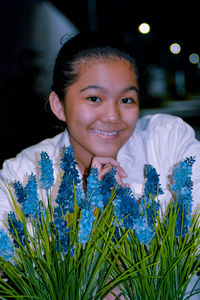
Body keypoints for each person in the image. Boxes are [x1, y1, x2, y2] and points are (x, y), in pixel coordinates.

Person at [0, 31, 200, 299]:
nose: (112, 115)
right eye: (94, 98)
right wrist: (86, 213)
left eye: (126, 99)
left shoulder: (166, 140)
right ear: (59, 105)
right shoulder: (24, 171)